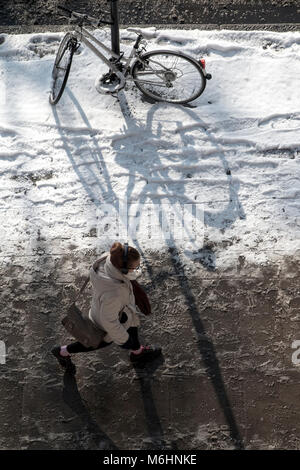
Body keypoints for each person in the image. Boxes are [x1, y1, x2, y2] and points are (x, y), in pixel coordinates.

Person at [52, 242, 162, 374]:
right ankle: (63, 351)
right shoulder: (114, 293)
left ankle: (137, 352)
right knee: (95, 342)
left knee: (132, 324)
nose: (137, 269)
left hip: (115, 309)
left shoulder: (107, 259)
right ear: (123, 269)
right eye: (135, 267)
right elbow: (109, 322)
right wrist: (124, 340)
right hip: (106, 324)